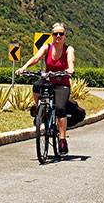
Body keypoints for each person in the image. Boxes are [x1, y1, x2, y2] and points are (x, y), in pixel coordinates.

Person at [16, 22, 75, 155]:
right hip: (49, 80)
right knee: (37, 85)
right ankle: (39, 111)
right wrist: (24, 67)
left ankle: (62, 140)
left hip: (62, 82)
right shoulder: (47, 47)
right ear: (52, 35)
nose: (58, 36)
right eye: (55, 34)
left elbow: (71, 61)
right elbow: (36, 58)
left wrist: (70, 69)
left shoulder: (68, 49)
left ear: (65, 35)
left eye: (61, 33)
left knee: (60, 109)